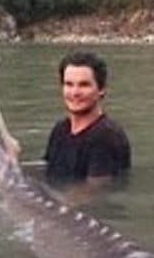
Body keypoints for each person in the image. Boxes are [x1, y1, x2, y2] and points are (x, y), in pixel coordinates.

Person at [44, 51, 132, 183]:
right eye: (69, 84)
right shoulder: (61, 129)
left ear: (101, 89)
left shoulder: (106, 136)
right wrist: (13, 160)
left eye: (84, 85)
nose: (75, 92)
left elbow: (95, 193)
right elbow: (48, 171)